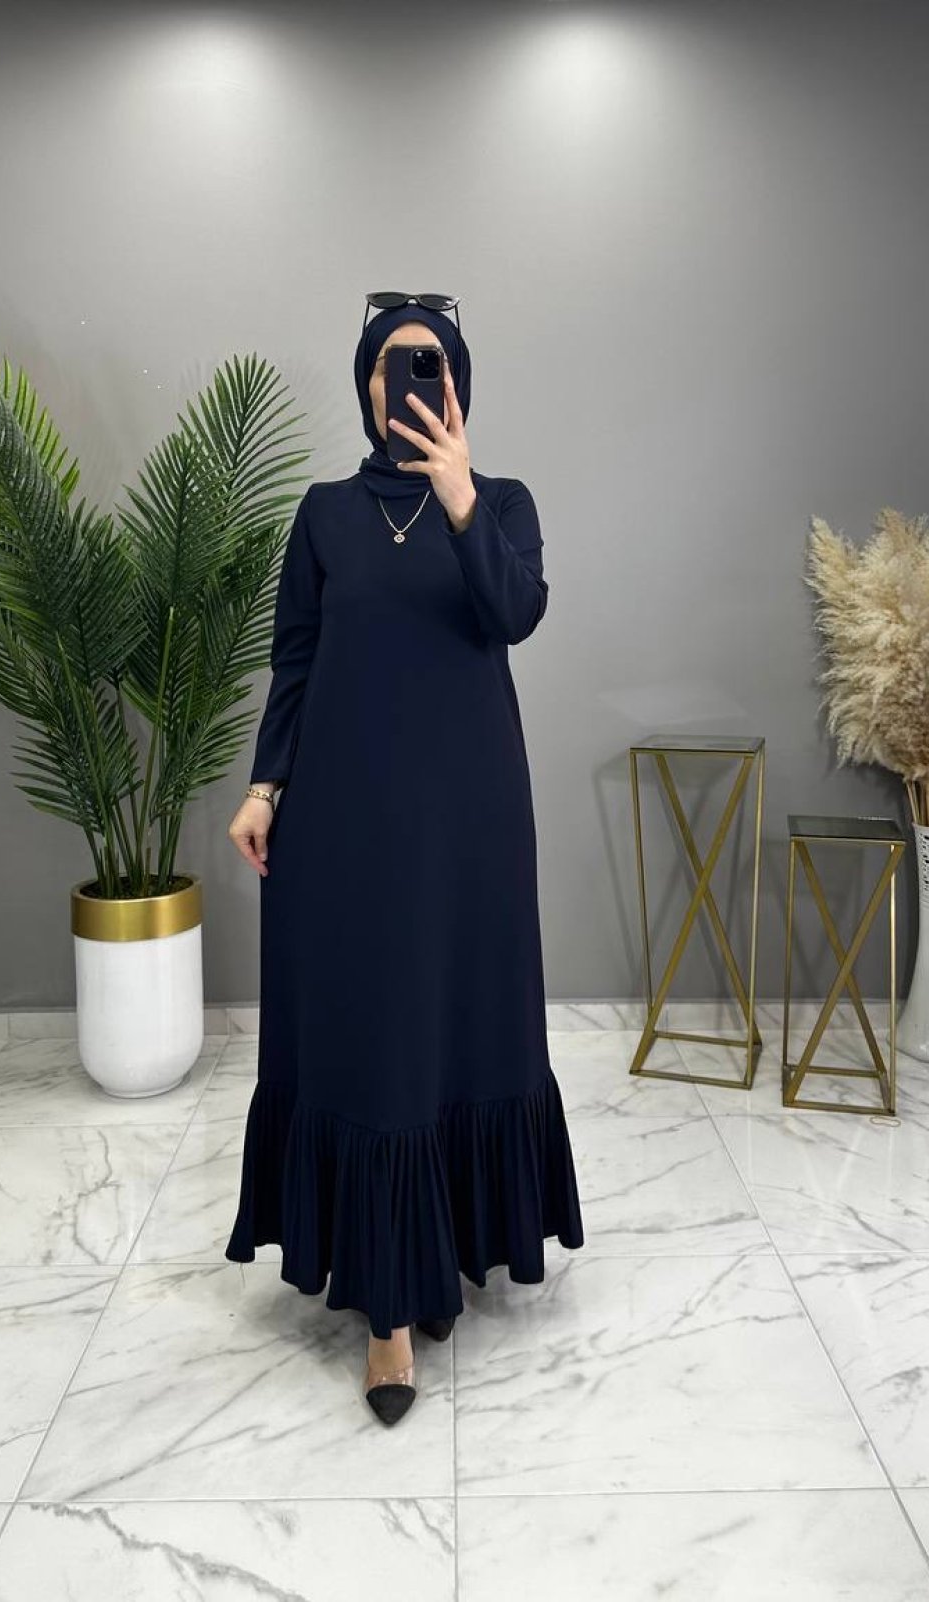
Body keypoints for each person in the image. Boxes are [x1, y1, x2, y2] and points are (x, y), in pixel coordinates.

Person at [226, 294, 584, 1426]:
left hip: (471, 818)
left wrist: (462, 498)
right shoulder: (324, 513)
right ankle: (387, 1311)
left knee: (458, 1024)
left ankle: (443, 1251)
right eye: (394, 364)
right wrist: (264, 786)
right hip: (346, 817)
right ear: (367, 385)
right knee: (374, 1037)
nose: (413, 380)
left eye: (432, 363)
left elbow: (515, 612)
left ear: (458, 383)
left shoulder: (503, 501)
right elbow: (294, 659)